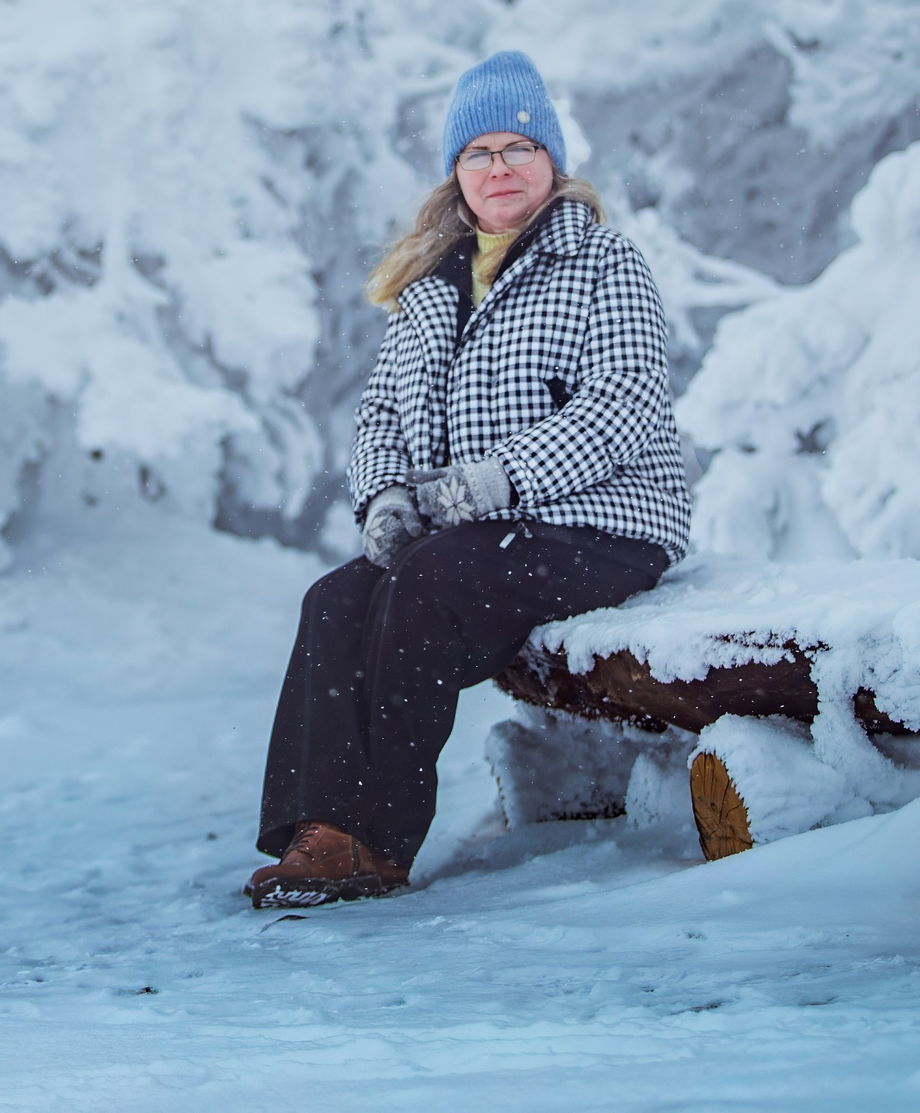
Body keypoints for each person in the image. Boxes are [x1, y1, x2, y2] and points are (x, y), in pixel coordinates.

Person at [246, 50, 691, 908]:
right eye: (479, 152)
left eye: (519, 148)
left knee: (429, 584)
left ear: (551, 160)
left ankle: (379, 842)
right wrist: (383, 497)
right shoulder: (430, 286)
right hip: (474, 535)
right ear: (456, 170)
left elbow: (623, 404)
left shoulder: (603, 262)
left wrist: (496, 482)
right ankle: (323, 830)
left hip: (605, 525)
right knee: (335, 600)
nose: (499, 167)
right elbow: (380, 412)